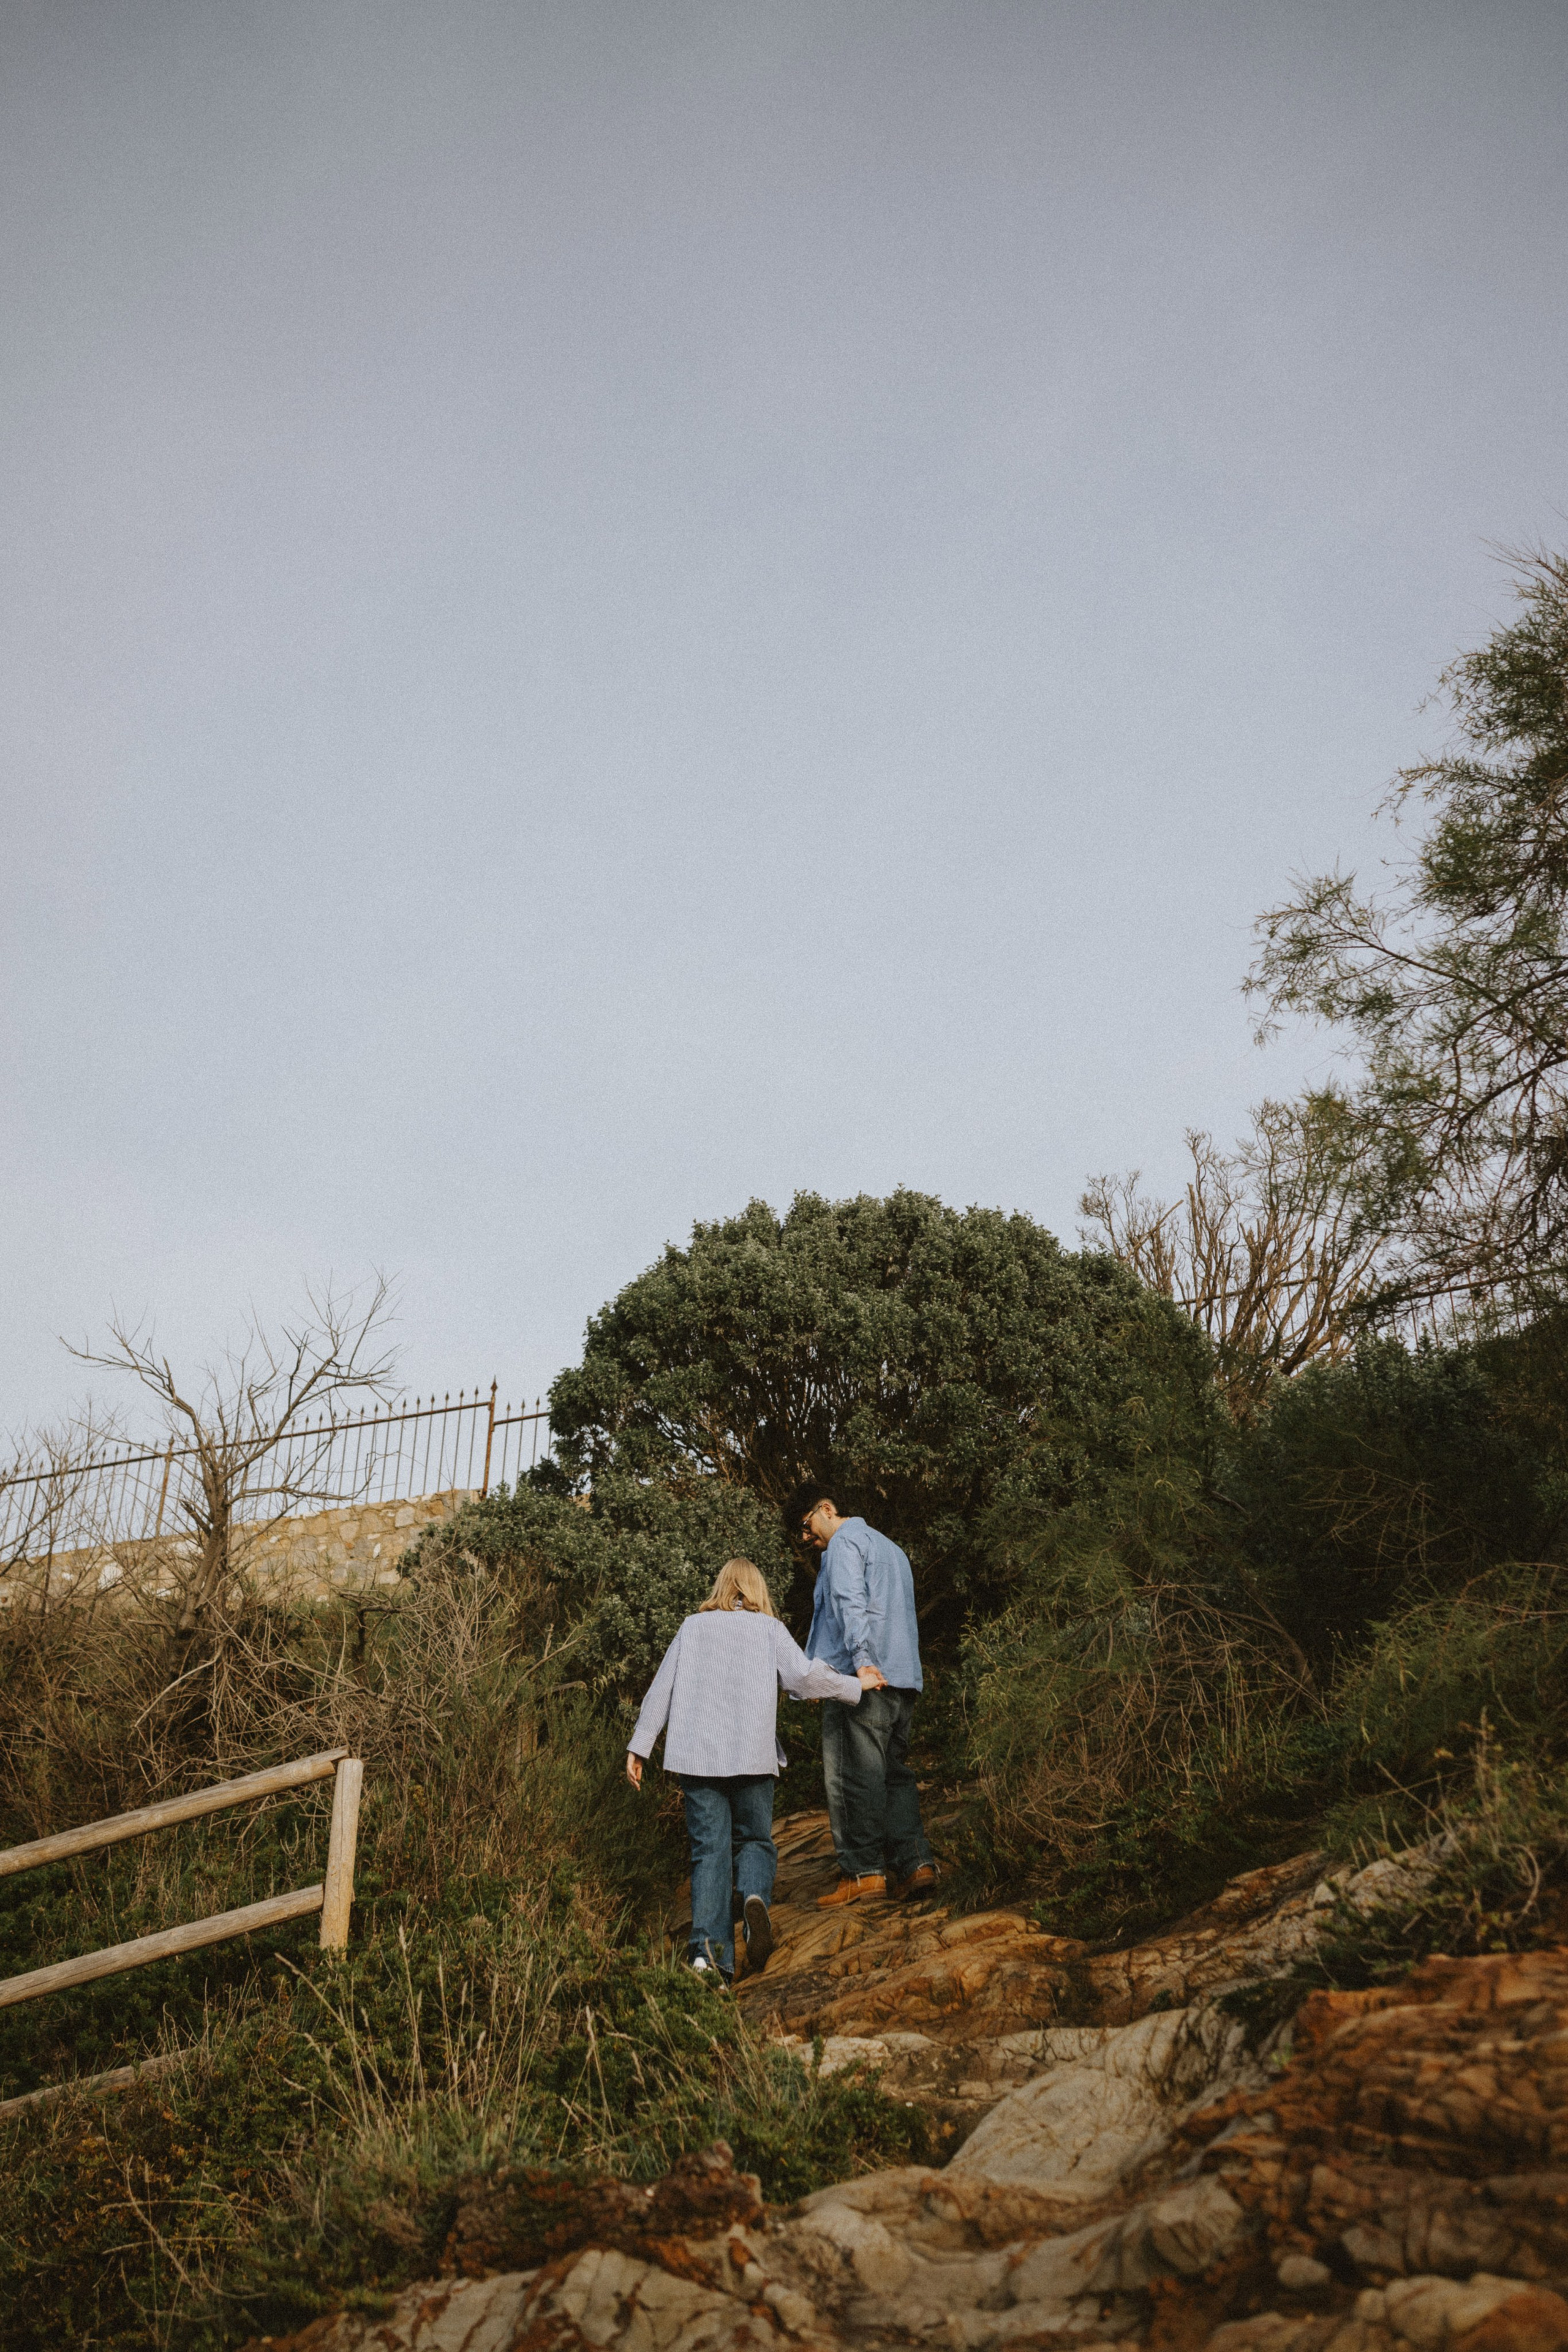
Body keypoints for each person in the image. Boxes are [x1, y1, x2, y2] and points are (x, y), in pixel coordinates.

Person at [626, 1556, 885, 1982]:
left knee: (709, 1853)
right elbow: (805, 1679)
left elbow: (662, 1689)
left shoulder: (693, 1627)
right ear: (755, 1589)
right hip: (752, 1756)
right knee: (756, 1842)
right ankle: (754, 1900)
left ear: (722, 1586)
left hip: (699, 1759)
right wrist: (856, 1685)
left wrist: (641, 1746)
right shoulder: (769, 1629)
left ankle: (708, 1961)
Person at [788, 1483, 938, 1909]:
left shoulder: (842, 1546)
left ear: (827, 1508)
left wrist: (859, 1662)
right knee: (895, 1775)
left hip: (864, 1680)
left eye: (805, 1526)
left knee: (853, 1777)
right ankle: (915, 1866)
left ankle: (864, 1874)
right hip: (904, 1679)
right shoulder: (893, 1550)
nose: (805, 1538)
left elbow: (850, 1603)